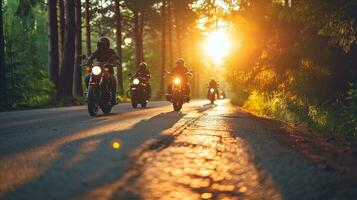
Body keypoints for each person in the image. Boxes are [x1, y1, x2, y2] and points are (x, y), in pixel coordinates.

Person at [85, 37, 118, 104]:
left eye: (103, 44)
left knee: (112, 79)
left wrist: (115, 61)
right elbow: (92, 56)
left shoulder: (111, 51)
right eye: (100, 44)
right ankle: (89, 93)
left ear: (107, 45)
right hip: (98, 70)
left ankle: (113, 98)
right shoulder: (98, 51)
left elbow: (116, 57)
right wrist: (88, 60)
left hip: (108, 71)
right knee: (87, 77)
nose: (102, 46)